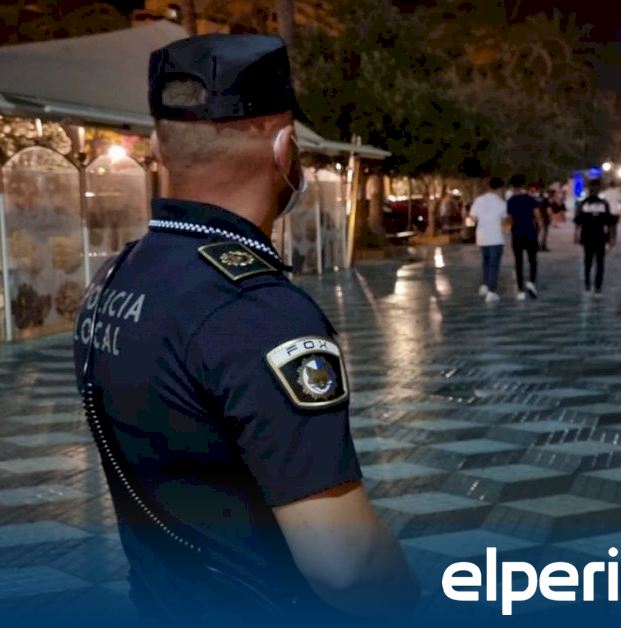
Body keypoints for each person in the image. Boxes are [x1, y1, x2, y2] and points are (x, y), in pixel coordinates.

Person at [71, 34, 417, 624]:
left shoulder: (116, 276)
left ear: (157, 148)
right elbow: (347, 564)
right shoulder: (258, 312)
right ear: (286, 149)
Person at [470, 176, 507, 303]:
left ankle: (485, 285)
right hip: (495, 237)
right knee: (494, 264)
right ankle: (492, 291)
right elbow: (504, 220)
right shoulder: (501, 203)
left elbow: (473, 217)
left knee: (485, 262)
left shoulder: (479, 200)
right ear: (500, 188)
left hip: (482, 236)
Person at [575, 179, 616, 294]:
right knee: (600, 262)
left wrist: (576, 234)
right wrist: (610, 238)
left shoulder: (583, 203)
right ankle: (598, 285)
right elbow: (609, 221)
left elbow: (578, 221)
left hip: (587, 235)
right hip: (599, 236)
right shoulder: (603, 204)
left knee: (587, 261)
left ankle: (587, 283)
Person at [506, 174, 540, 300]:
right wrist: (538, 230)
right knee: (532, 259)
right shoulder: (531, 199)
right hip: (530, 233)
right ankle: (531, 282)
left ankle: (520, 290)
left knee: (518, 261)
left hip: (517, 234)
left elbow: (510, 219)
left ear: (512, 186)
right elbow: (537, 216)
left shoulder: (511, 201)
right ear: (523, 185)